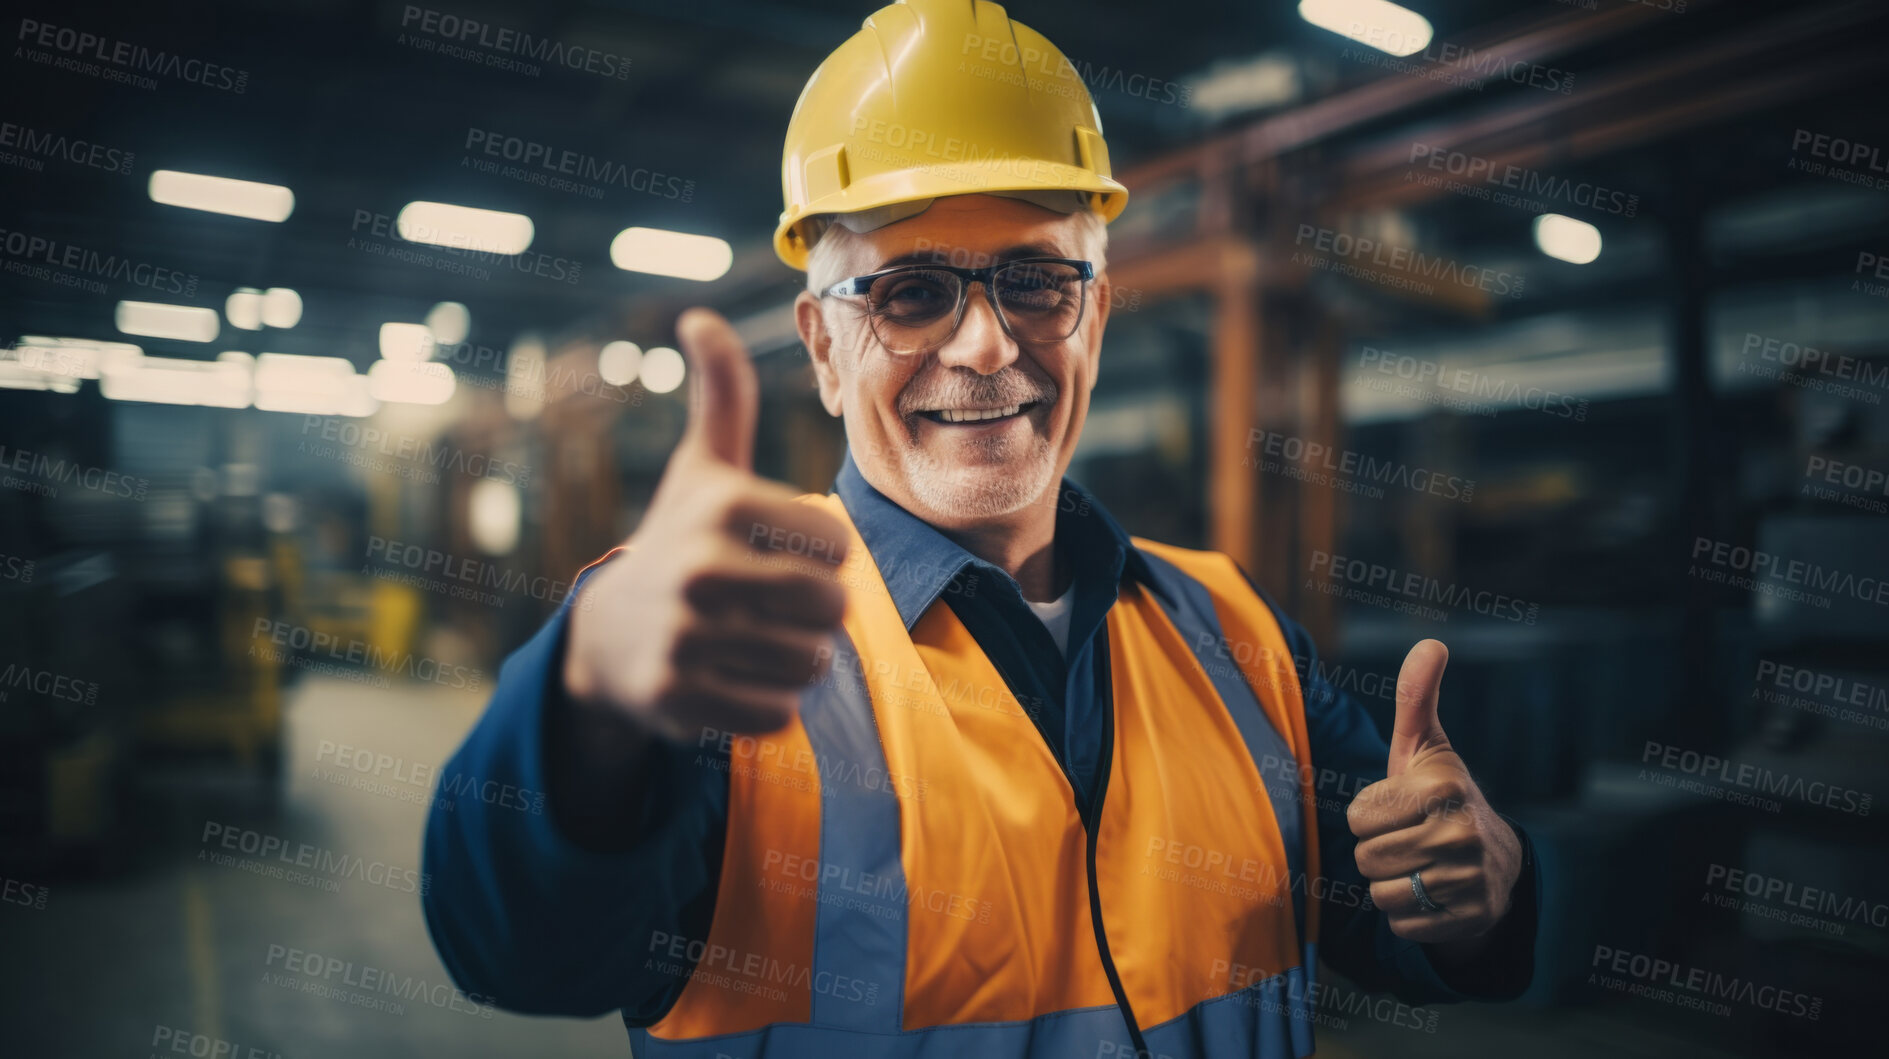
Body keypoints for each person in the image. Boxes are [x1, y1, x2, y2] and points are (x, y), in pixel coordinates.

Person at [423, 1, 1539, 1055]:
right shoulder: (712, 651)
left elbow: (1407, 916)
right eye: (909, 293)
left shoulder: (1236, 637)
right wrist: (588, 706)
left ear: (1093, 313)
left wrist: (1474, 892)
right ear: (821, 347)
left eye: (1034, 283)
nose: (986, 349)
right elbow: (521, 953)